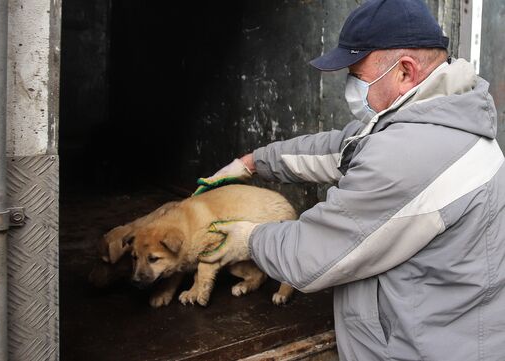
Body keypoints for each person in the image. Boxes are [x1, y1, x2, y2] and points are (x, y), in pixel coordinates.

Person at [196, 0, 505, 360]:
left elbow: (309, 256)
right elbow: (344, 147)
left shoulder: (411, 155)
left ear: (405, 71)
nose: (351, 88)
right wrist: (253, 163)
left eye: (357, 76)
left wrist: (247, 238)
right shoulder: (447, 115)